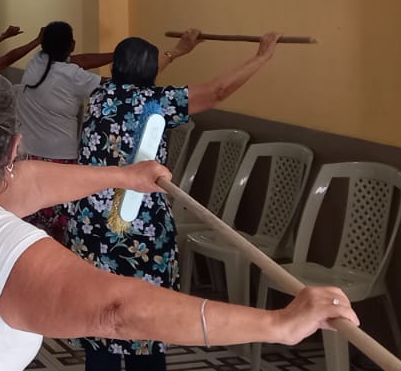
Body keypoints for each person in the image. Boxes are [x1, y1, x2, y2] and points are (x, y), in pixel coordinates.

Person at [0, 70, 355, 371]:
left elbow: (25, 182)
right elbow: (118, 310)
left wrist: (124, 176)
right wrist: (277, 324)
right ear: (14, 145)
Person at [65, 32, 279, 370]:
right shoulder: (158, 102)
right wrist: (261, 58)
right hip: (138, 227)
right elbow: (217, 91)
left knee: (99, 313)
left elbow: (136, 79)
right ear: (150, 73)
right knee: (146, 316)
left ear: (116, 66)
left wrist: (177, 52)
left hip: (90, 223)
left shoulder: (100, 95)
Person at [11, 21, 117, 240]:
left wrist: (114, 55)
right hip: (59, 161)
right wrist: (125, 61)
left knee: (31, 221)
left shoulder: (37, 62)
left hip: (28, 157)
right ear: (72, 44)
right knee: (59, 223)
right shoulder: (74, 76)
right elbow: (114, 87)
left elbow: (80, 61)